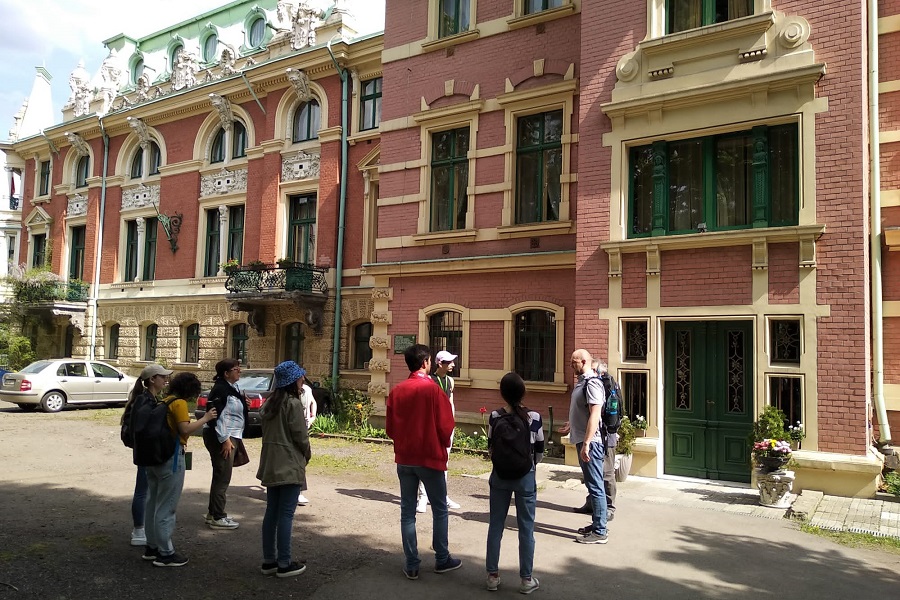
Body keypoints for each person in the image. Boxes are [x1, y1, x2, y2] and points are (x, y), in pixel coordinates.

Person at [386, 344, 461, 580]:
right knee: (439, 508)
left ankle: (411, 564)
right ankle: (442, 558)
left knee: (407, 511)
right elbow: (447, 425)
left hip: (405, 458)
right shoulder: (433, 390)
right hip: (430, 457)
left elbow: (390, 429)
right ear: (426, 362)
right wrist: (439, 445)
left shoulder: (397, 391)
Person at [143, 370, 216, 567]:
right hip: (172, 456)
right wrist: (205, 418)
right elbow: (185, 429)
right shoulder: (180, 403)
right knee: (167, 506)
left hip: (153, 457)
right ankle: (166, 553)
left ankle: (151, 547)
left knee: (152, 502)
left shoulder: (164, 400)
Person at [485, 372, 544, 594]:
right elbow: (539, 451)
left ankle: (492, 576)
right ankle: (526, 579)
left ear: (502, 393)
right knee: (526, 528)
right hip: (525, 477)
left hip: (499, 476)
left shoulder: (494, 416)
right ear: (523, 392)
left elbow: (490, 446)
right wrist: (529, 466)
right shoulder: (534, 418)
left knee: (496, 526)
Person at [257, 361, 312, 578]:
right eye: (300, 378)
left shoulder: (269, 404)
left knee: (272, 512)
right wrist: (306, 454)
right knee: (286, 514)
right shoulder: (292, 404)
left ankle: (269, 560)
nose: (302, 381)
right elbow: (300, 436)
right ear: (292, 381)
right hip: (288, 463)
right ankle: (284, 562)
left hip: (271, 462)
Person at [122, 365, 172, 547]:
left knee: (147, 490)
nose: (165, 380)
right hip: (146, 452)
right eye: (162, 377)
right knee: (143, 491)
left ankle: (144, 529)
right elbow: (143, 429)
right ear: (152, 379)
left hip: (146, 451)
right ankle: (139, 530)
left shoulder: (148, 398)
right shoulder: (145, 401)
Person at [570, 359, 619, 521]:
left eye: (593, 369)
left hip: (603, 436)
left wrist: (587, 442)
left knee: (606, 473)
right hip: (593, 435)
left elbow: (597, 413)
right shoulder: (589, 384)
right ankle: (592, 504)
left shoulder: (600, 384)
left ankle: (608, 508)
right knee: (593, 476)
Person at [202, 358, 248, 530]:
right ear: (226, 373)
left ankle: (212, 513)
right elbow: (217, 415)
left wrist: (244, 404)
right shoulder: (221, 389)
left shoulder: (231, 387)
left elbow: (231, 410)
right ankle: (218, 517)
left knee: (219, 476)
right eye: (236, 369)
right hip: (222, 436)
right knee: (223, 477)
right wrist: (225, 439)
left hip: (230, 435)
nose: (239, 371)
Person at [569, 348, 609, 544]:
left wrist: (586, 443)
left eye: (573, 362)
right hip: (582, 439)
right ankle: (596, 524)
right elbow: (582, 411)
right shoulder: (582, 383)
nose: (571, 365)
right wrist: (571, 423)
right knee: (593, 484)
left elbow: (595, 414)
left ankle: (600, 531)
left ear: (584, 362)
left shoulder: (592, 383)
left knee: (595, 486)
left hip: (591, 443)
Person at [417, 350, 460, 513]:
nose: (453, 365)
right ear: (440, 364)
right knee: (426, 461)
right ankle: (423, 497)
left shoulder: (450, 381)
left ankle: (442, 495)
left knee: (444, 461)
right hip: (431, 427)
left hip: (446, 426)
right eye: (449, 362)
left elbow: (451, 403)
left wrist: (452, 422)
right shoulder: (428, 381)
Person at [297, 376, 317, 506]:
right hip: (295, 431)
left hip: (303, 427)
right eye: (300, 378)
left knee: (302, 459)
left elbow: (313, 402)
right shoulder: (285, 395)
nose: (303, 380)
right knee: (299, 460)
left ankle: (298, 492)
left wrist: (313, 416)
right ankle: (297, 493)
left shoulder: (306, 390)